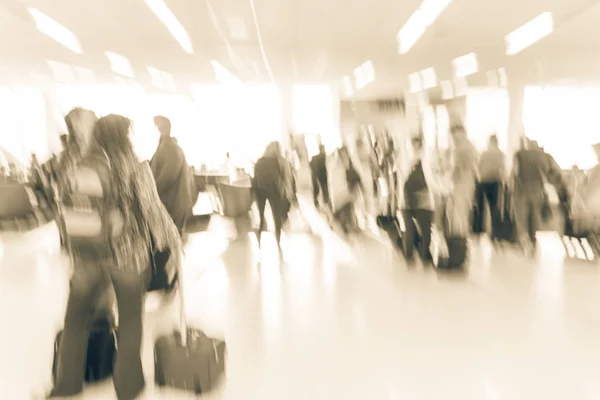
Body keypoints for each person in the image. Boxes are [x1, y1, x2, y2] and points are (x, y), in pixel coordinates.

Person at [49, 114, 182, 399]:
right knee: (131, 321)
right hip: (129, 258)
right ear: (126, 135)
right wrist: (173, 241)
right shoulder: (136, 167)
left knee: (75, 321)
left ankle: (67, 385)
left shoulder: (81, 165)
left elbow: (64, 207)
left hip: (88, 256)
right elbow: (152, 210)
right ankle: (129, 385)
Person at [150, 115, 192, 236]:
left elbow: (167, 178)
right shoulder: (167, 147)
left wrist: (147, 191)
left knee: (169, 247)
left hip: (171, 208)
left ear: (159, 129)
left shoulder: (169, 148)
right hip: (170, 208)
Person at [510, 137, 550, 254]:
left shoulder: (520, 154)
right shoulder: (541, 156)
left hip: (522, 190)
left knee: (521, 218)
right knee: (534, 217)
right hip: (537, 190)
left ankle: (524, 243)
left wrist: (511, 184)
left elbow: (515, 171)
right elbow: (546, 171)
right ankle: (533, 242)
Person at [253, 141, 292, 256]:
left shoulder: (259, 161)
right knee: (277, 216)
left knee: (260, 217)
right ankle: (278, 241)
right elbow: (287, 178)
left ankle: (259, 242)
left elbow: (255, 178)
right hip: (274, 190)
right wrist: (288, 193)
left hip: (259, 190)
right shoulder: (280, 160)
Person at [474, 134, 506, 240]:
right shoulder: (501, 155)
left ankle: (478, 230)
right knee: (494, 208)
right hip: (495, 182)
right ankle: (495, 233)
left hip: (483, 182)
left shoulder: (484, 154)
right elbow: (503, 169)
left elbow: (478, 167)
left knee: (481, 207)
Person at [310, 144, 329, 208]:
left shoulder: (315, 158)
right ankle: (326, 201)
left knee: (323, 189)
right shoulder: (324, 156)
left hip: (320, 176)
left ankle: (325, 201)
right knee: (325, 189)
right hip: (324, 176)